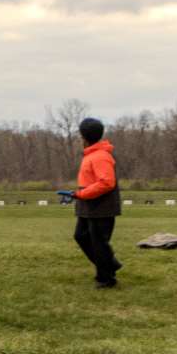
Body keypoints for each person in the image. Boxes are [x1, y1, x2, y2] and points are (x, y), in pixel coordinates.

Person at [58, 117, 122, 288]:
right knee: (81, 236)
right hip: (89, 204)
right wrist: (78, 194)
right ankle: (110, 265)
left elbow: (107, 183)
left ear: (83, 136)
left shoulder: (100, 156)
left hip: (101, 205)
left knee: (98, 242)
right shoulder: (92, 154)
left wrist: (81, 194)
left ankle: (106, 278)